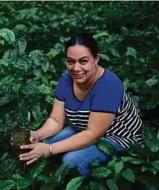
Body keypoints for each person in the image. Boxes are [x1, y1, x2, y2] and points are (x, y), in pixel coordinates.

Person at [18, 33, 143, 176]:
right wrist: (37, 134)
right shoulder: (66, 80)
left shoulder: (108, 85)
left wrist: (51, 149)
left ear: (96, 59)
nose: (76, 68)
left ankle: (98, 178)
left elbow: (93, 134)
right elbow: (56, 120)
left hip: (120, 138)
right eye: (71, 62)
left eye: (83, 61)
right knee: (45, 142)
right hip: (85, 129)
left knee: (70, 161)